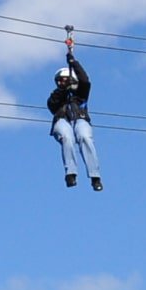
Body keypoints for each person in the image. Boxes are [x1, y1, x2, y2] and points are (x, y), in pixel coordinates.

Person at [48, 51, 102, 190]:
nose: (61, 82)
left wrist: (73, 62)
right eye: (59, 81)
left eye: (64, 80)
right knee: (67, 137)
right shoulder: (57, 96)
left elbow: (85, 80)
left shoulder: (80, 95)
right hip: (62, 120)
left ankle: (95, 176)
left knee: (85, 137)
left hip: (80, 119)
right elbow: (52, 105)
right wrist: (63, 89)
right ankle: (71, 173)